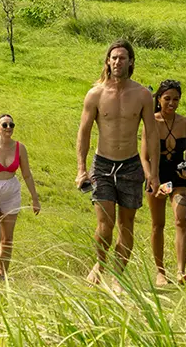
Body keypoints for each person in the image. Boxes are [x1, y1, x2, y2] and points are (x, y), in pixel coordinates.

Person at [75, 40, 159, 288]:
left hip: (131, 165)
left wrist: (152, 173)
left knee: (127, 225)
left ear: (131, 62)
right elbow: (84, 132)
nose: (117, 62)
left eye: (122, 58)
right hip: (102, 165)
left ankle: (118, 275)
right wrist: (81, 168)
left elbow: (151, 134)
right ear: (107, 62)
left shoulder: (142, 94)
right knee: (105, 224)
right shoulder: (96, 94)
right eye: (113, 58)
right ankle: (100, 264)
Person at [0, 114, 41, 280]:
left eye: (11, 125)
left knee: (8, 238)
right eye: (5, 125)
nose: (9, 128)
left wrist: (35, 198)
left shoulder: (20, 148)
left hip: (11, 193)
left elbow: (27, 175)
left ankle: (3, 274)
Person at [148, 80, 186, 287]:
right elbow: (143, 156)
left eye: (176, 99)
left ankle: (181, 271)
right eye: (167, 99)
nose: (172, 103)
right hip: (158, 179)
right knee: (158, 224)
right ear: (159, 99)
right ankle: (160, 272)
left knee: (180, 220)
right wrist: (152, 179)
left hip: (178, 179)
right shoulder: (152, 122)